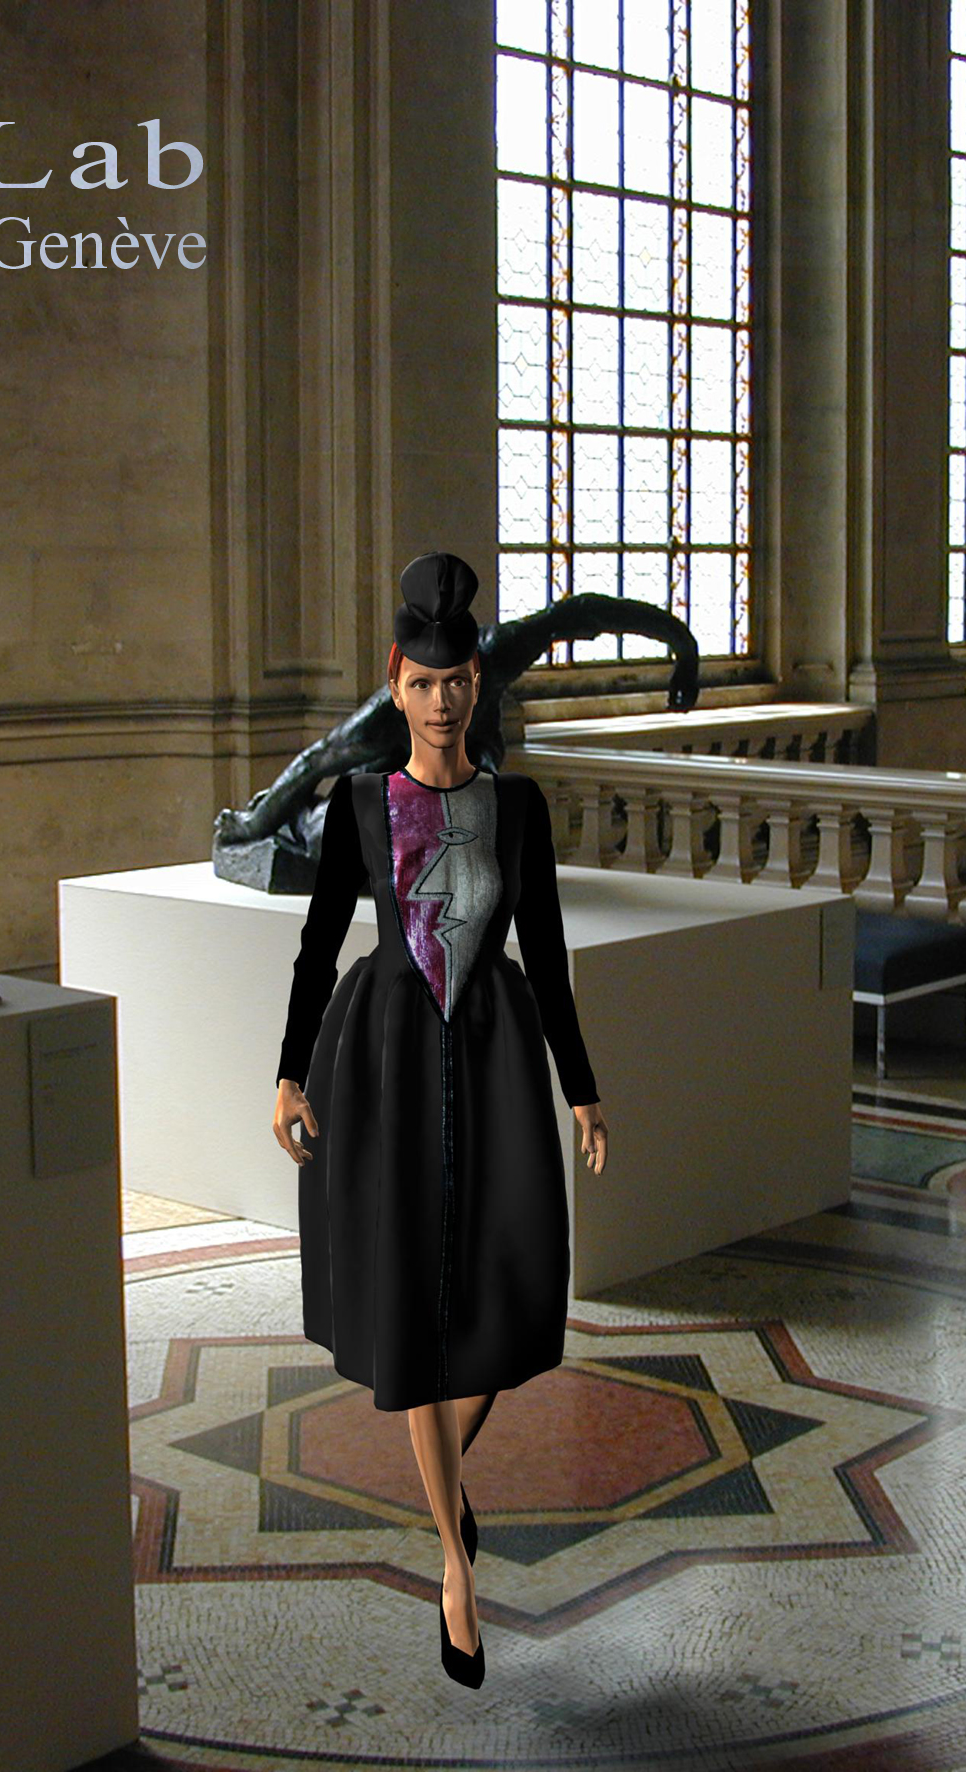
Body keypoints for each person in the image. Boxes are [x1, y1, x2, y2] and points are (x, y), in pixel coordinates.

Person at [268, 551, 610, 1691]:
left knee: (512, 1282)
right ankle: (455, 1571)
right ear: (395, 682)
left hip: (496, 1054)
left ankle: (442, 1488)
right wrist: (288, 1074)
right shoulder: (360, 805)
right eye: (422, 683)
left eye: (458, 680)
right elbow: (319, 945)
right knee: (414, 1296)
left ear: (476, 685)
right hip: (386, 1063)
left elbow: (547, 954)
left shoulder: (519, 807)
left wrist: (580, 1084)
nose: (443, 699)